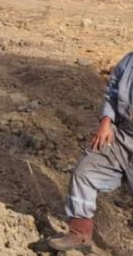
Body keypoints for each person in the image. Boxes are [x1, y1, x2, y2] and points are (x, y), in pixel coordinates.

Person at [48, 52, 133, 252]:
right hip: (121, 136)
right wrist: (106, 121)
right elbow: (112, 92)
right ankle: (79, 233)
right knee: (84, 172)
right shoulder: (128, 61)